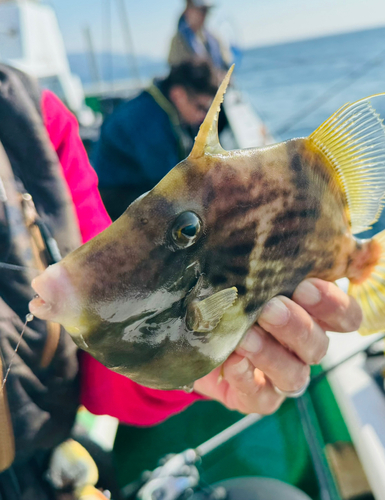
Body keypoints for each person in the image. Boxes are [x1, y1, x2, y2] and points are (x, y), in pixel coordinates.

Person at [0, 65, 363, 497]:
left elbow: (98, 352)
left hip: (43, 466)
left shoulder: (32, 117)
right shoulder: (122, 123)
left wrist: (191, 364)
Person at [93, 60, 219, 220]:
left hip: (139, 183)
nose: (204, 116)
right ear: (178, 95)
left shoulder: (159, 106)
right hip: (116, 201)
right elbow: (169, 186)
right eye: (201, 107)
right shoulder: (147, 121)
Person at [168, 0, 232, 77]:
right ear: (188, 10)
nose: (204, 15)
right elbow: (177, 77)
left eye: (206, 10)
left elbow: (227, 66)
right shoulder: (178, 41)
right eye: (201, 10)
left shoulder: (215, 38)